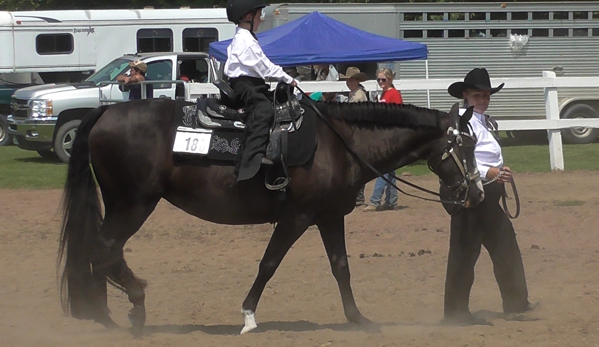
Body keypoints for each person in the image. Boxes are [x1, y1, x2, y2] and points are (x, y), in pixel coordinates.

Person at [442, 67, 534, 324]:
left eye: (486, 95)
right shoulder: (460, 121)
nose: (482, 99)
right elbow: (460, 160)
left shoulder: (482, 120)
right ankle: (456, 313)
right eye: (477, 95)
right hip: (469, 195)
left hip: (490, 194)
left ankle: (516, 303)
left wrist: (498, 172)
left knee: (506, 248)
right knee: (463, 255)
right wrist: (492, 170)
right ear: (465, 95)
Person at [224, 0, 297, 181]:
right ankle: (251, 161)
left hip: (250, 84)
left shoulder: (244, 37)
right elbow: (264, 67)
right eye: (259, 15)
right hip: (246, 86)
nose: (261, 19)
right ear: (249, 16)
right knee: (263, 110)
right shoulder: (246, 41)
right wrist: (288, 79)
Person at [364, 68, 402, 212]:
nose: (380, 82)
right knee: (389, 169)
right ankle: (391, 200)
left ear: (390, 79)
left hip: (390, 136)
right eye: (378, 79)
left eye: (383, 79)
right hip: (385, 135)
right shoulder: (385, 93)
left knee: (383, 168)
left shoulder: (394, 94)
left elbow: (398, 115)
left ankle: (375, 200)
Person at [339, 67, 369, 206]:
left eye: (351, 80)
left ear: (357, 80)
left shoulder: (359, 96)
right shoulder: (354, 94)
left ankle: (359, 196)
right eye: (348, 80)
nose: (349, 82)